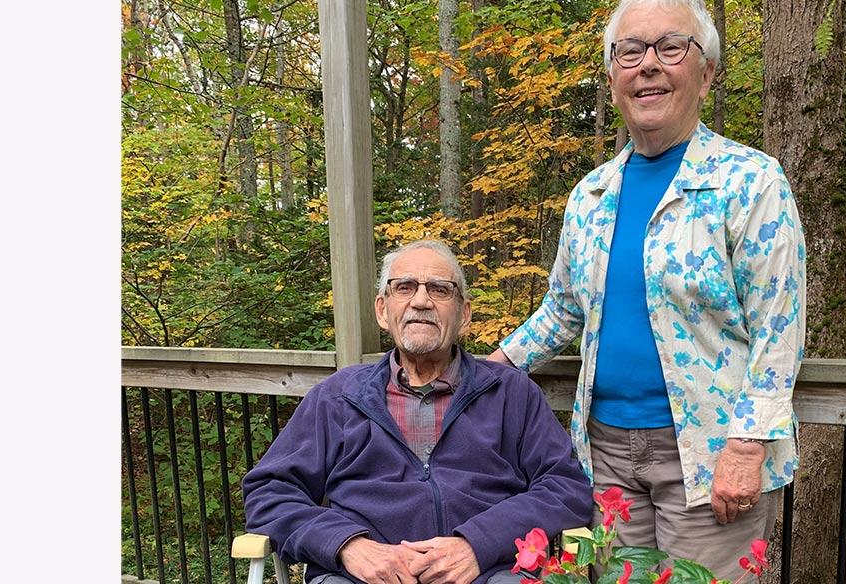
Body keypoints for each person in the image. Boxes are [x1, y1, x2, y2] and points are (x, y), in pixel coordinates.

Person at [486, 0, 806, 579]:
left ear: (705, 72)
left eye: (670, 47)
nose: (648, 65)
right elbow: (561, 310)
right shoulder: (592, 194)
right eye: (630, 51)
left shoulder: (750, 181)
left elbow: (778, 330)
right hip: (603, 456)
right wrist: (493, 369)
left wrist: (746, 446)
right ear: (613, 79)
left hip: (709, 455)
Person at [243, 239, 592, 584]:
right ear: (383, 310)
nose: (421, 301)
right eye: (404, 287)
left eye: (440, 289)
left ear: (464, 315)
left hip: (489, 571)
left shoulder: (512, 394)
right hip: (359, 577)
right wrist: (346, 545)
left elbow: (565, 487)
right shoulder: (337, 398)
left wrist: (478, 544)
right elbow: (269, 492)